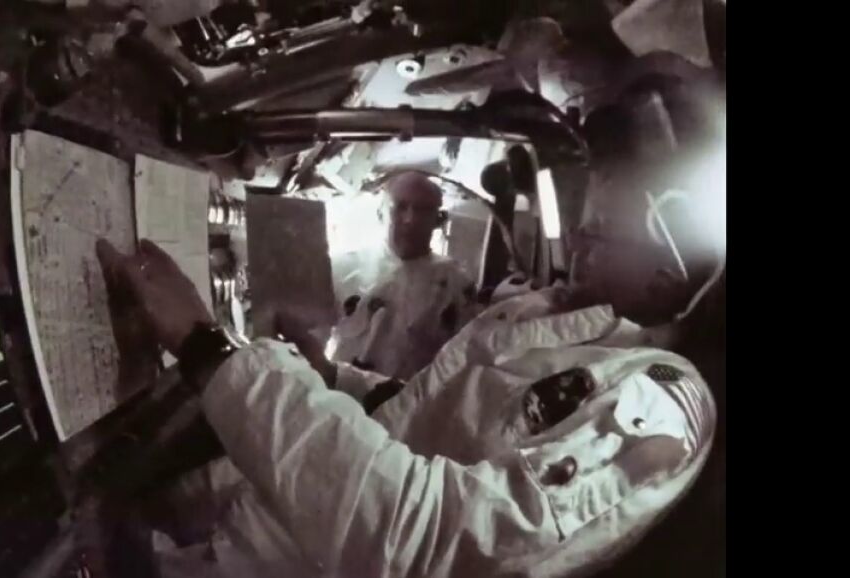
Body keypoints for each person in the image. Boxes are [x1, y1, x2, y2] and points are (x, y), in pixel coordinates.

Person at [90, 68, 723, 577]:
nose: (577, 246)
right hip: (265, 517)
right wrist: (333, 377)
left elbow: (428, 540)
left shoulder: (659, 405)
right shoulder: (557, 317)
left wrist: (207, 348)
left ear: (669, 275)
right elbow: (435, 414)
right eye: (581, 228)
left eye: (600, 234)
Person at [329, 170, 479, 380]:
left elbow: (465, 357)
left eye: (423, 210)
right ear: (381, 213)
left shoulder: (456, 284)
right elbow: (309, 339)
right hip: (343, 393)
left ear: (438, 220)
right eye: (400, 207)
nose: (410, 219)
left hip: (414, 395)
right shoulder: (340, 269)